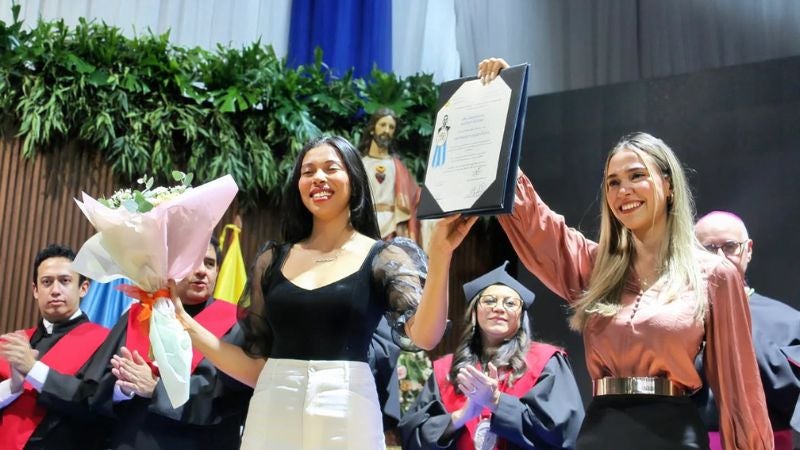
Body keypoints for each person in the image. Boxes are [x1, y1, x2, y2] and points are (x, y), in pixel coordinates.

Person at [481, 58, 772, 450]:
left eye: (637, 176)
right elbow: (533, 221)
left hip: (674, 436)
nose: (624, 191)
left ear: (668, 185)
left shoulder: (715, 275)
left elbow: (740, 392)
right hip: (601, 433)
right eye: (613, 182)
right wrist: (498, 109)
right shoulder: (593, 265)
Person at [171, 135, 477, 449]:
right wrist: (183, 321)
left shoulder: (384, 257)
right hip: (271, 410)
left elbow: (425, 336)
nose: (318, 177)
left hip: (347, 411)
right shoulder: (271, 260)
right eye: (308, 171)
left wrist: (441, 254)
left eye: (331, 168)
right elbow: (256, 368)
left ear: (354, 179)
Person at [399, 261, 585, 449]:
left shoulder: (546, 362)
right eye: (489, 301)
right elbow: (413, 436)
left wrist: (496, 401)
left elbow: (563, 433)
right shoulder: (447, 370)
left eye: (510, 303)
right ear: (474, 312)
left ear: (521, 317)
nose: (499, 308)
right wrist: (460, 417)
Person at [90, 238, 251, 450]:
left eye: (210, 264)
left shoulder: (236, 324)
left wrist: (157, 388)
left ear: (218, 271)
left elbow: (226, 397)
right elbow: (96, 388)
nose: (202, 271)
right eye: (192, 263)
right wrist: (124, 388)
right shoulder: (138, 316)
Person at [693, 211, 800, 450]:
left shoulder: (790, 324)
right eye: (708, 249)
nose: (720, 258)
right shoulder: (671, 324)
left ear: (748, 250)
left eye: (730, 247)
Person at [0, 244, 110, 450]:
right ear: (35, 290)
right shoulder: (13, 343)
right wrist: (12, 388)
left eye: (65, 281)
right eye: (47, 282)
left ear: (83, 288)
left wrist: (33, 369)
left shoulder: (105, 342)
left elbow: (98, 405)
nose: (55, 290)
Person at [359, 107, 422, 243]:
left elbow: (415, 198)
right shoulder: (360, 164)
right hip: (365, 227)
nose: (386, 130)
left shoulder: (398, 167)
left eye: (391, 127)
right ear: (372, 129)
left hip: (393, 230)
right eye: (382, 125)